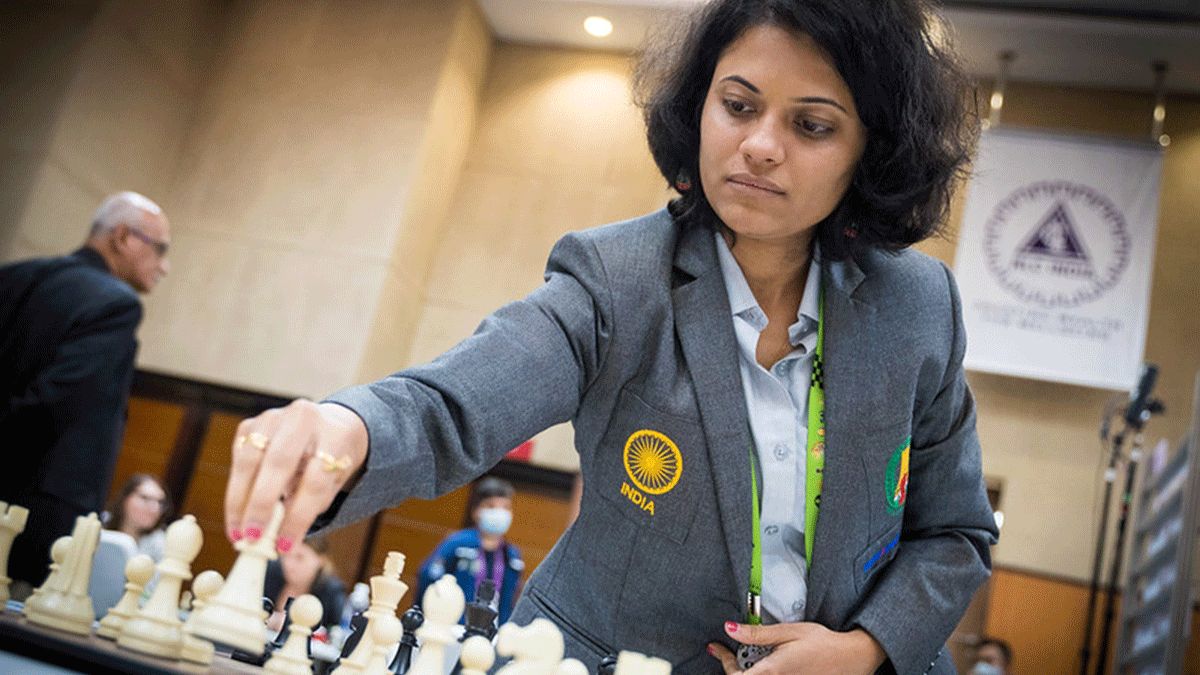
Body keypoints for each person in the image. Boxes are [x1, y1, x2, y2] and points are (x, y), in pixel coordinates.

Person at [221, 0, 998, 671]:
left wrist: (864, 648)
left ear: (870, 147)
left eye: (811, 124)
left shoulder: (918, 306)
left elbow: (956, 532)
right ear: (699, 106)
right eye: (738, 105)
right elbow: (453, 404)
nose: (761, 143)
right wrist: (343, 427)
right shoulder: (617, 276)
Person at [0, 191, 170, 590]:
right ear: (124, 237)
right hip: (34, 525)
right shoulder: (116, 304)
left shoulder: (12, 276)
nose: (165, 267)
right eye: (159, 249)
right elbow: (54, 406)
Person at [416, 477, 525, 625]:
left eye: (505, 507)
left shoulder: (512, 555)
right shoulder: (458, 543)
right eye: (491, 506)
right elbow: (428, 577)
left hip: (492, 633)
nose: (499, 513)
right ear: (476, 511)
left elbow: (511, 599)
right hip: (452, 627)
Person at [263, 536, 346, 634]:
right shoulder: (270, 572)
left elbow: (332, 633)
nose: (289, 564)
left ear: (321, 561)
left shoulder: (332, 593)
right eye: (286, 555)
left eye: (299, 557)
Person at [104, 474, 171, 561]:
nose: (155, 508)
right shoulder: (98, 525)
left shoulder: (162, 544)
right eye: (145, 498)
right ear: (125, 499)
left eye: (160, 502)